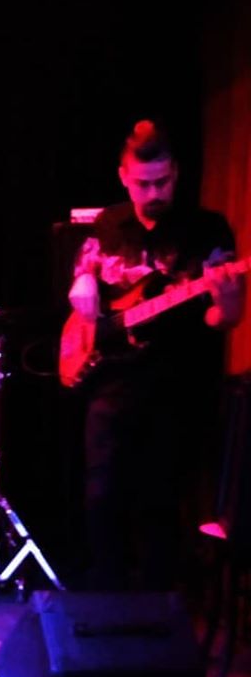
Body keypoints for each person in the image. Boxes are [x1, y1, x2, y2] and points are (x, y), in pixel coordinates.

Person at [66, 119, 245, 591]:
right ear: (124, 176)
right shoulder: (108, 224)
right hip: (109, 386)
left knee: (160, 511)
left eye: (162, 182)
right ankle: (105, 611)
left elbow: (222, 319)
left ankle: (157, 620)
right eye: (143, 184)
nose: (154, 193)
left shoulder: (207, 230)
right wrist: (81, 280)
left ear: (176, 174)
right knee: (101, 500)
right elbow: (83, 275)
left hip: (175, 389)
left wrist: (227, 302)